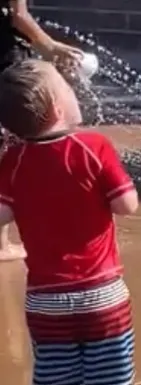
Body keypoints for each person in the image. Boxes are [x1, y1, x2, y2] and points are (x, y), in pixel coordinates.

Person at [0, 59, 141, 385]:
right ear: (56, 105)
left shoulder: (13, 161)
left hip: (47, 302)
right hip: (103, 296)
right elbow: (127, 205)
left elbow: (2, 213)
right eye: (66, 85)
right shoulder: (94, 147)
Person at [0, 0, 83, 261]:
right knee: (7, 144)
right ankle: (1, 245)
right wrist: (50, 47)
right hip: (3, 53)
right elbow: (18, 16)